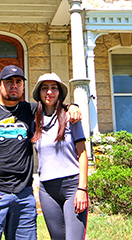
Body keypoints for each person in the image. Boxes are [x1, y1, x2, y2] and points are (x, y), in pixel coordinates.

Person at [0, 65, 82, 240]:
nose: (14, 86)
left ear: (23, 87)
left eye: (18, 82)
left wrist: (73, 106)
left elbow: (53, 104)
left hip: (23, 195)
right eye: (9, 82)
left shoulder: (31, 110)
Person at [31, 73, 88, 240]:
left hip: (72, 186)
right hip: (47, 190)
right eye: (45, 88)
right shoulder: (34, 120)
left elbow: (83, 153)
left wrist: (82, 189)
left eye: (54, 88)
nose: (49, 92)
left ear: (60, 93)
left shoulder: (71, 117)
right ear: (39, 93)